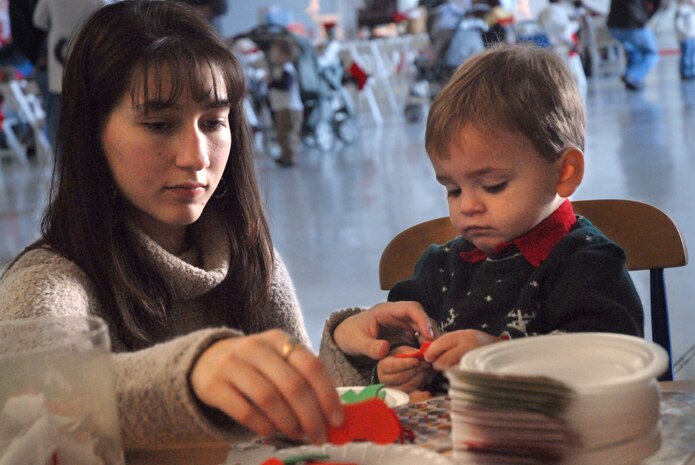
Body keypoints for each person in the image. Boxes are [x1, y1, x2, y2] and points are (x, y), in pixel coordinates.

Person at [0, 0, 343, 449]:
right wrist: (194, 372)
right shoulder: (49, 281)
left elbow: (298, 427)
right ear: (91, 134)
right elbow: (35, 395)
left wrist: (349, 351)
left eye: (214, 122)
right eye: (159, 124)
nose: (197, 156)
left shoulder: (248, 257)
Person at [320, 44, 644, 396]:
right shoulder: (440, 267)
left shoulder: (588, 263)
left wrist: (500, 358)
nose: (467, 207)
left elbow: (614, 366)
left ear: (565, 172)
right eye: (453, 189)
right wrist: (400, 363)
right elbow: (392, 346)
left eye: (493, 185)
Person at [32, 0, 111, 145]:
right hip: (86, 42)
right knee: (88, 113)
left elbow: (39, 20)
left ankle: (61, 159)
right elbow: (107, 18)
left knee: (59, 117)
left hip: (58, 45)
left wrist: (55, 24)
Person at [538, 0, 587, 99]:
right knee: (579, 82)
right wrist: (575, 24)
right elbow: (565, 33)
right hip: (566, 49)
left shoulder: (543, 12)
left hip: (554, 50)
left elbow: (540, 27)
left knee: (560, 81)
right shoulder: (558, 11)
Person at [606, 0, 661, 90]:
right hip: (634, 24)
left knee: (634, 50)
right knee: (653, 53)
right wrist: (646, 17)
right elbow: (657, 3)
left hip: (613, 26)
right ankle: (632, 75)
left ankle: (633, 81)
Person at [267, 36, 304, 167]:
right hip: (282, 106)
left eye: (275, 52)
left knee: (289, 134)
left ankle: (291, 157)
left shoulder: (287, 68)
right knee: (282, 133)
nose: (271, 55)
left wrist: (271, 83)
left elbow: (285, 86)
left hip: (290, 108)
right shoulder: (279, 68)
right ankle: (285, 156)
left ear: (284, 55)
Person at [675, 0, 695, 80]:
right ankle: (685, 72)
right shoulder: (682, 10)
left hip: (693, 36)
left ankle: (691, 71)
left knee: (692, 56)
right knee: (686, 56)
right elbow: (679, 23)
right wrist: (684, 32)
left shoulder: (692, 10)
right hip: (686, 38)